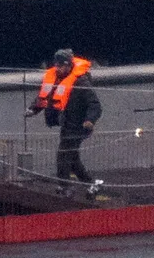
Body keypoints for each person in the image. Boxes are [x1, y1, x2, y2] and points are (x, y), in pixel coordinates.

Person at [26, 49, 103, 196]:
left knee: (63, 154)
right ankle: (91, 184)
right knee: (72, 157)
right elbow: (44, 97)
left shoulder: (81, 82)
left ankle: (64, 186)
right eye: (58, 65)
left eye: (63, 66)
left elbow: (95, 105)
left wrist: (89, 120)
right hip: (66, 124)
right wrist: (33, 110)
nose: (60, 68)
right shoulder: (54, 78)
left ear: (69, 66)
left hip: (79, 126)